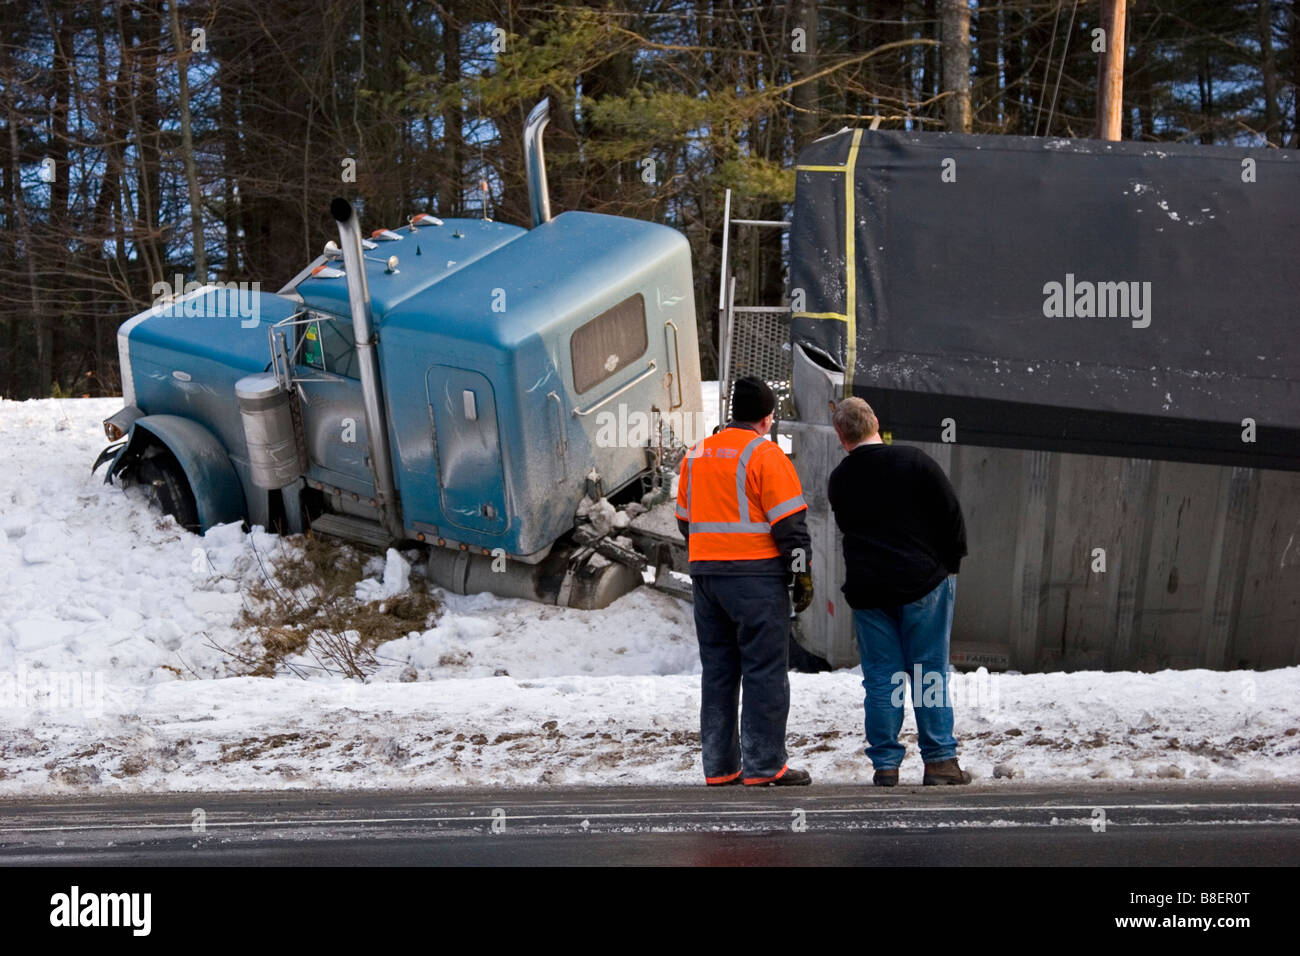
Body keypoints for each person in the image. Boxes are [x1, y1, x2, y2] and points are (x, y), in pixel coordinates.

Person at [676, 376, 815, 787]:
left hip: (706, 578)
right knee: (765, 671)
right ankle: (765, 765)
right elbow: (790, 524)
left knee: (718, 672)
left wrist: (711, 553)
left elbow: (685, 519)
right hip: (755, 578)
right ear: (766, 417)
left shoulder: (696, 454)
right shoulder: (765, 455)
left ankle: (720, 767)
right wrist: (801, 573)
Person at [827, 397, 971, 786]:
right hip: (924, 583)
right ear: (875, 422)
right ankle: (940, 762)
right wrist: (950, 565)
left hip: (870, 592)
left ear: (842, 436)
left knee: (882, 679)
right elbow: (951, 513)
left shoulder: (840, 479)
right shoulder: (914, 461)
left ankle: (886, 766)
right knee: (928, 674)